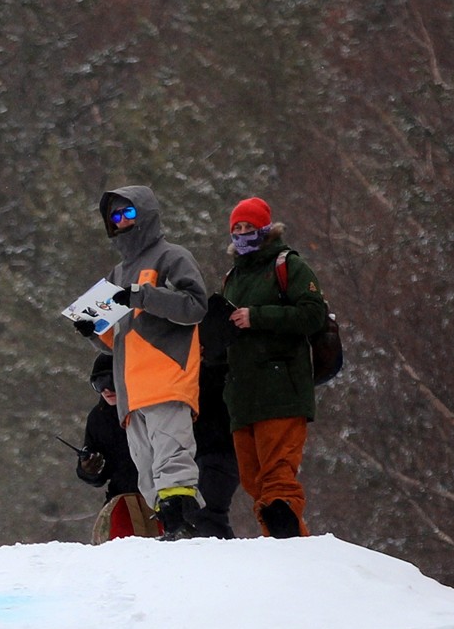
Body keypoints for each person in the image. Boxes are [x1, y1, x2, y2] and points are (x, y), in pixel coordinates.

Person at [75, 185, 210, 540]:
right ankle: (169, 528)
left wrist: (143, 296)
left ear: (146, 213)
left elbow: (195, 306)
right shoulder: (118, 273)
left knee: (173, 459)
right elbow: (113, 341)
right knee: (147, 471)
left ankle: (184, 526)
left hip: (166, 377)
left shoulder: (171, 256)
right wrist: (90, 328)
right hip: (131, 390)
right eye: (115, 216)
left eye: (128, 213)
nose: (121, 222)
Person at [222, 195, 328, 538]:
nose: (242, 233)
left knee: (278, 479)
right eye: (236, 228)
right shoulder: (232, 276)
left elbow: (314, 314)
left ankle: (291, 549)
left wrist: (257, 317)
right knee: (255, 482)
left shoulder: (288, 265)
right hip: (242, 394)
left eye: (248, 227)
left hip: (282, 388)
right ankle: (283, 548)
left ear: (266, 229)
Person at [75, 352, 160, 542]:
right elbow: (98, 476)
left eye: (110, 380)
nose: (105, 389)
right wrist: (89, 469)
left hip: (161, 494)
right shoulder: (98, 417)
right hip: (123, 500)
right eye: (97, 384)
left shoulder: (153, 408)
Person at [195, 294, 241, 539]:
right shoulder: (205, 370)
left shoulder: (221, 371)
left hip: (221, 452)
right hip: (206, 452)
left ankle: (222, 560)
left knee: (206, 514)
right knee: (202, 515)